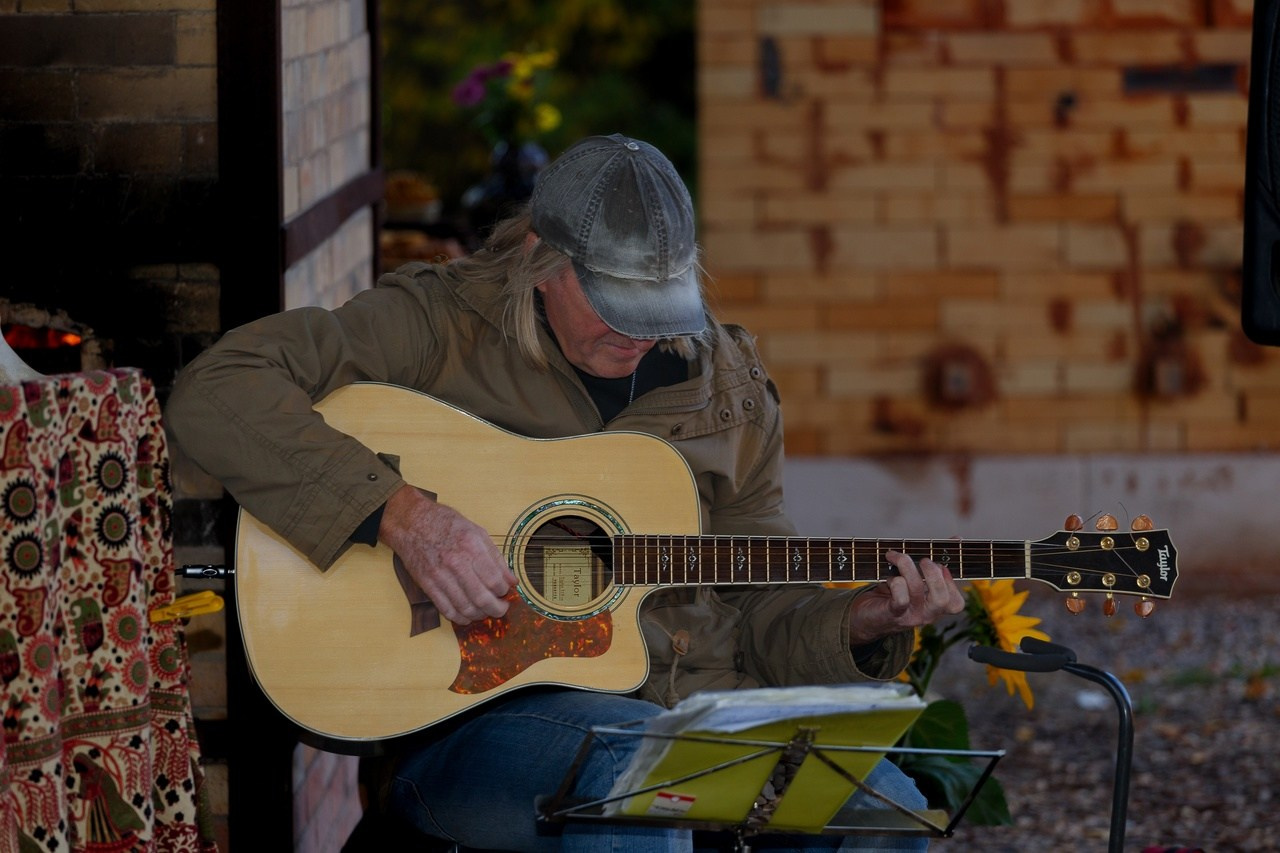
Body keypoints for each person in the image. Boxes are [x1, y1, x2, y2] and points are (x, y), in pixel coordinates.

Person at [166, 133, 966, 852]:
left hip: (692, 716)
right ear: (542, 259)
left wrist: (865, 620)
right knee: (639, 779)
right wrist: (405, 516)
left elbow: (759, 611)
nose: (637, 334)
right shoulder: (441, 326)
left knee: (883, 810)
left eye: (657, 307)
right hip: (475, 731)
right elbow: (218, 388)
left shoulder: (729, 392)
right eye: (614, 304)